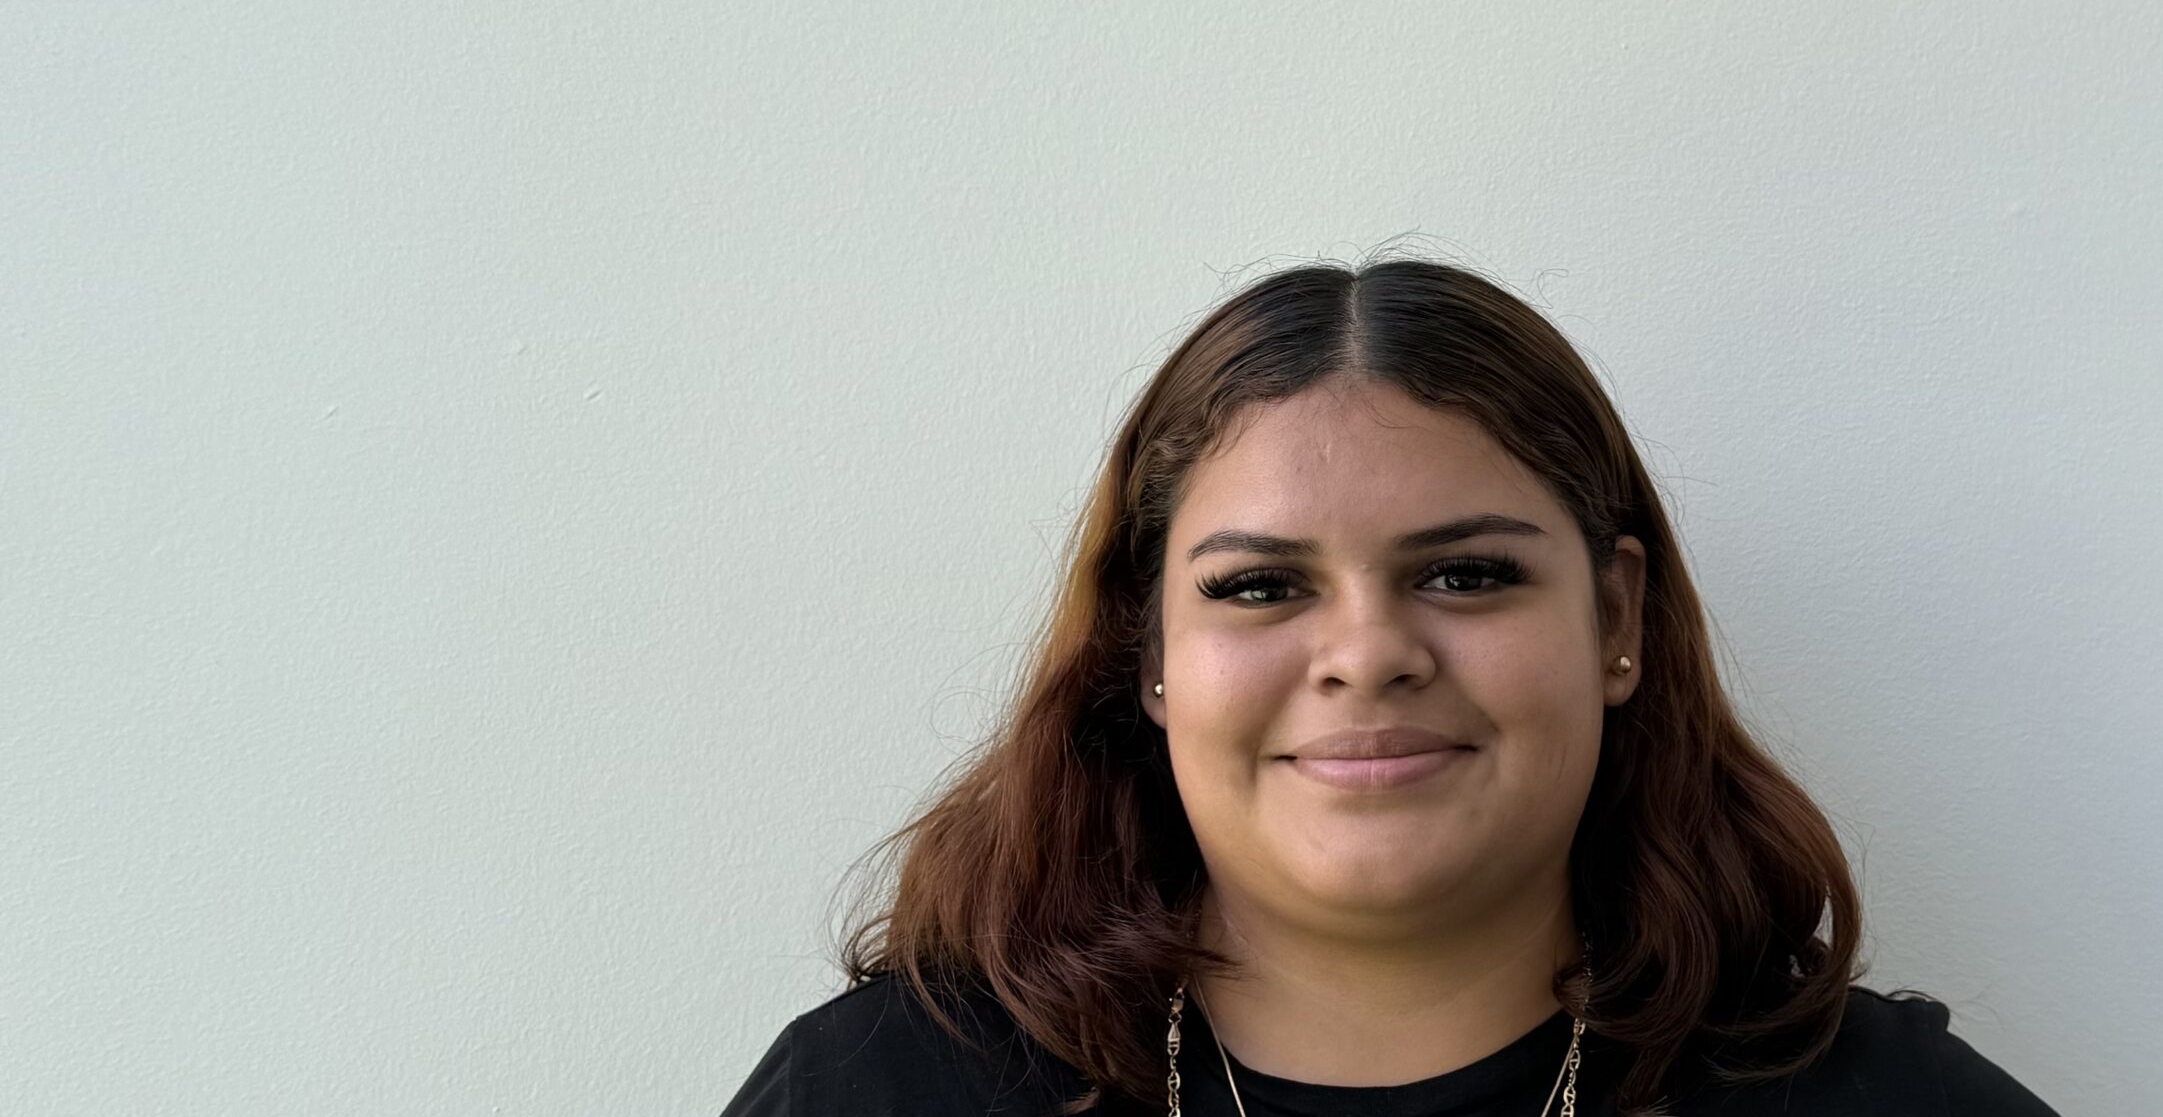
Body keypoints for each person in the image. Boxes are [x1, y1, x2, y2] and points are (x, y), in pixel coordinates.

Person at [720, 257, 2063, 1116]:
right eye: (1261, 587)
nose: (1367, 653)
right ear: (1150, 654)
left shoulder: (1887, 1104)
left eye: (1467, 575)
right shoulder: (875, 1094)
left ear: (1615, 619)